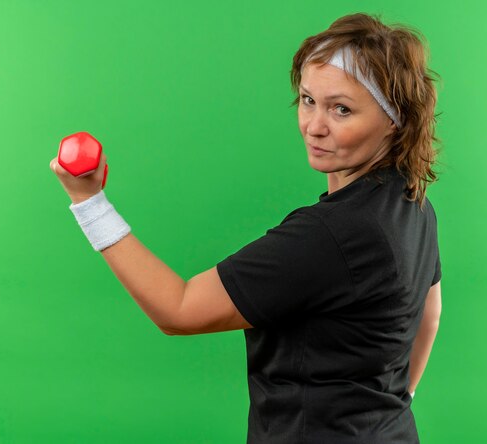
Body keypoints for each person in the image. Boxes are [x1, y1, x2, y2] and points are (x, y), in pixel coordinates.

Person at [49, 12, 443, 444]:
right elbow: (430, 313)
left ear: (393, 119)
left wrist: (89, 202)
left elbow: (177, 309)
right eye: (308, 100)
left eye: (341, 109)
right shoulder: (413, 202)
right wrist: (385, 411)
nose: (314, 126)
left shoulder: (330, 235)